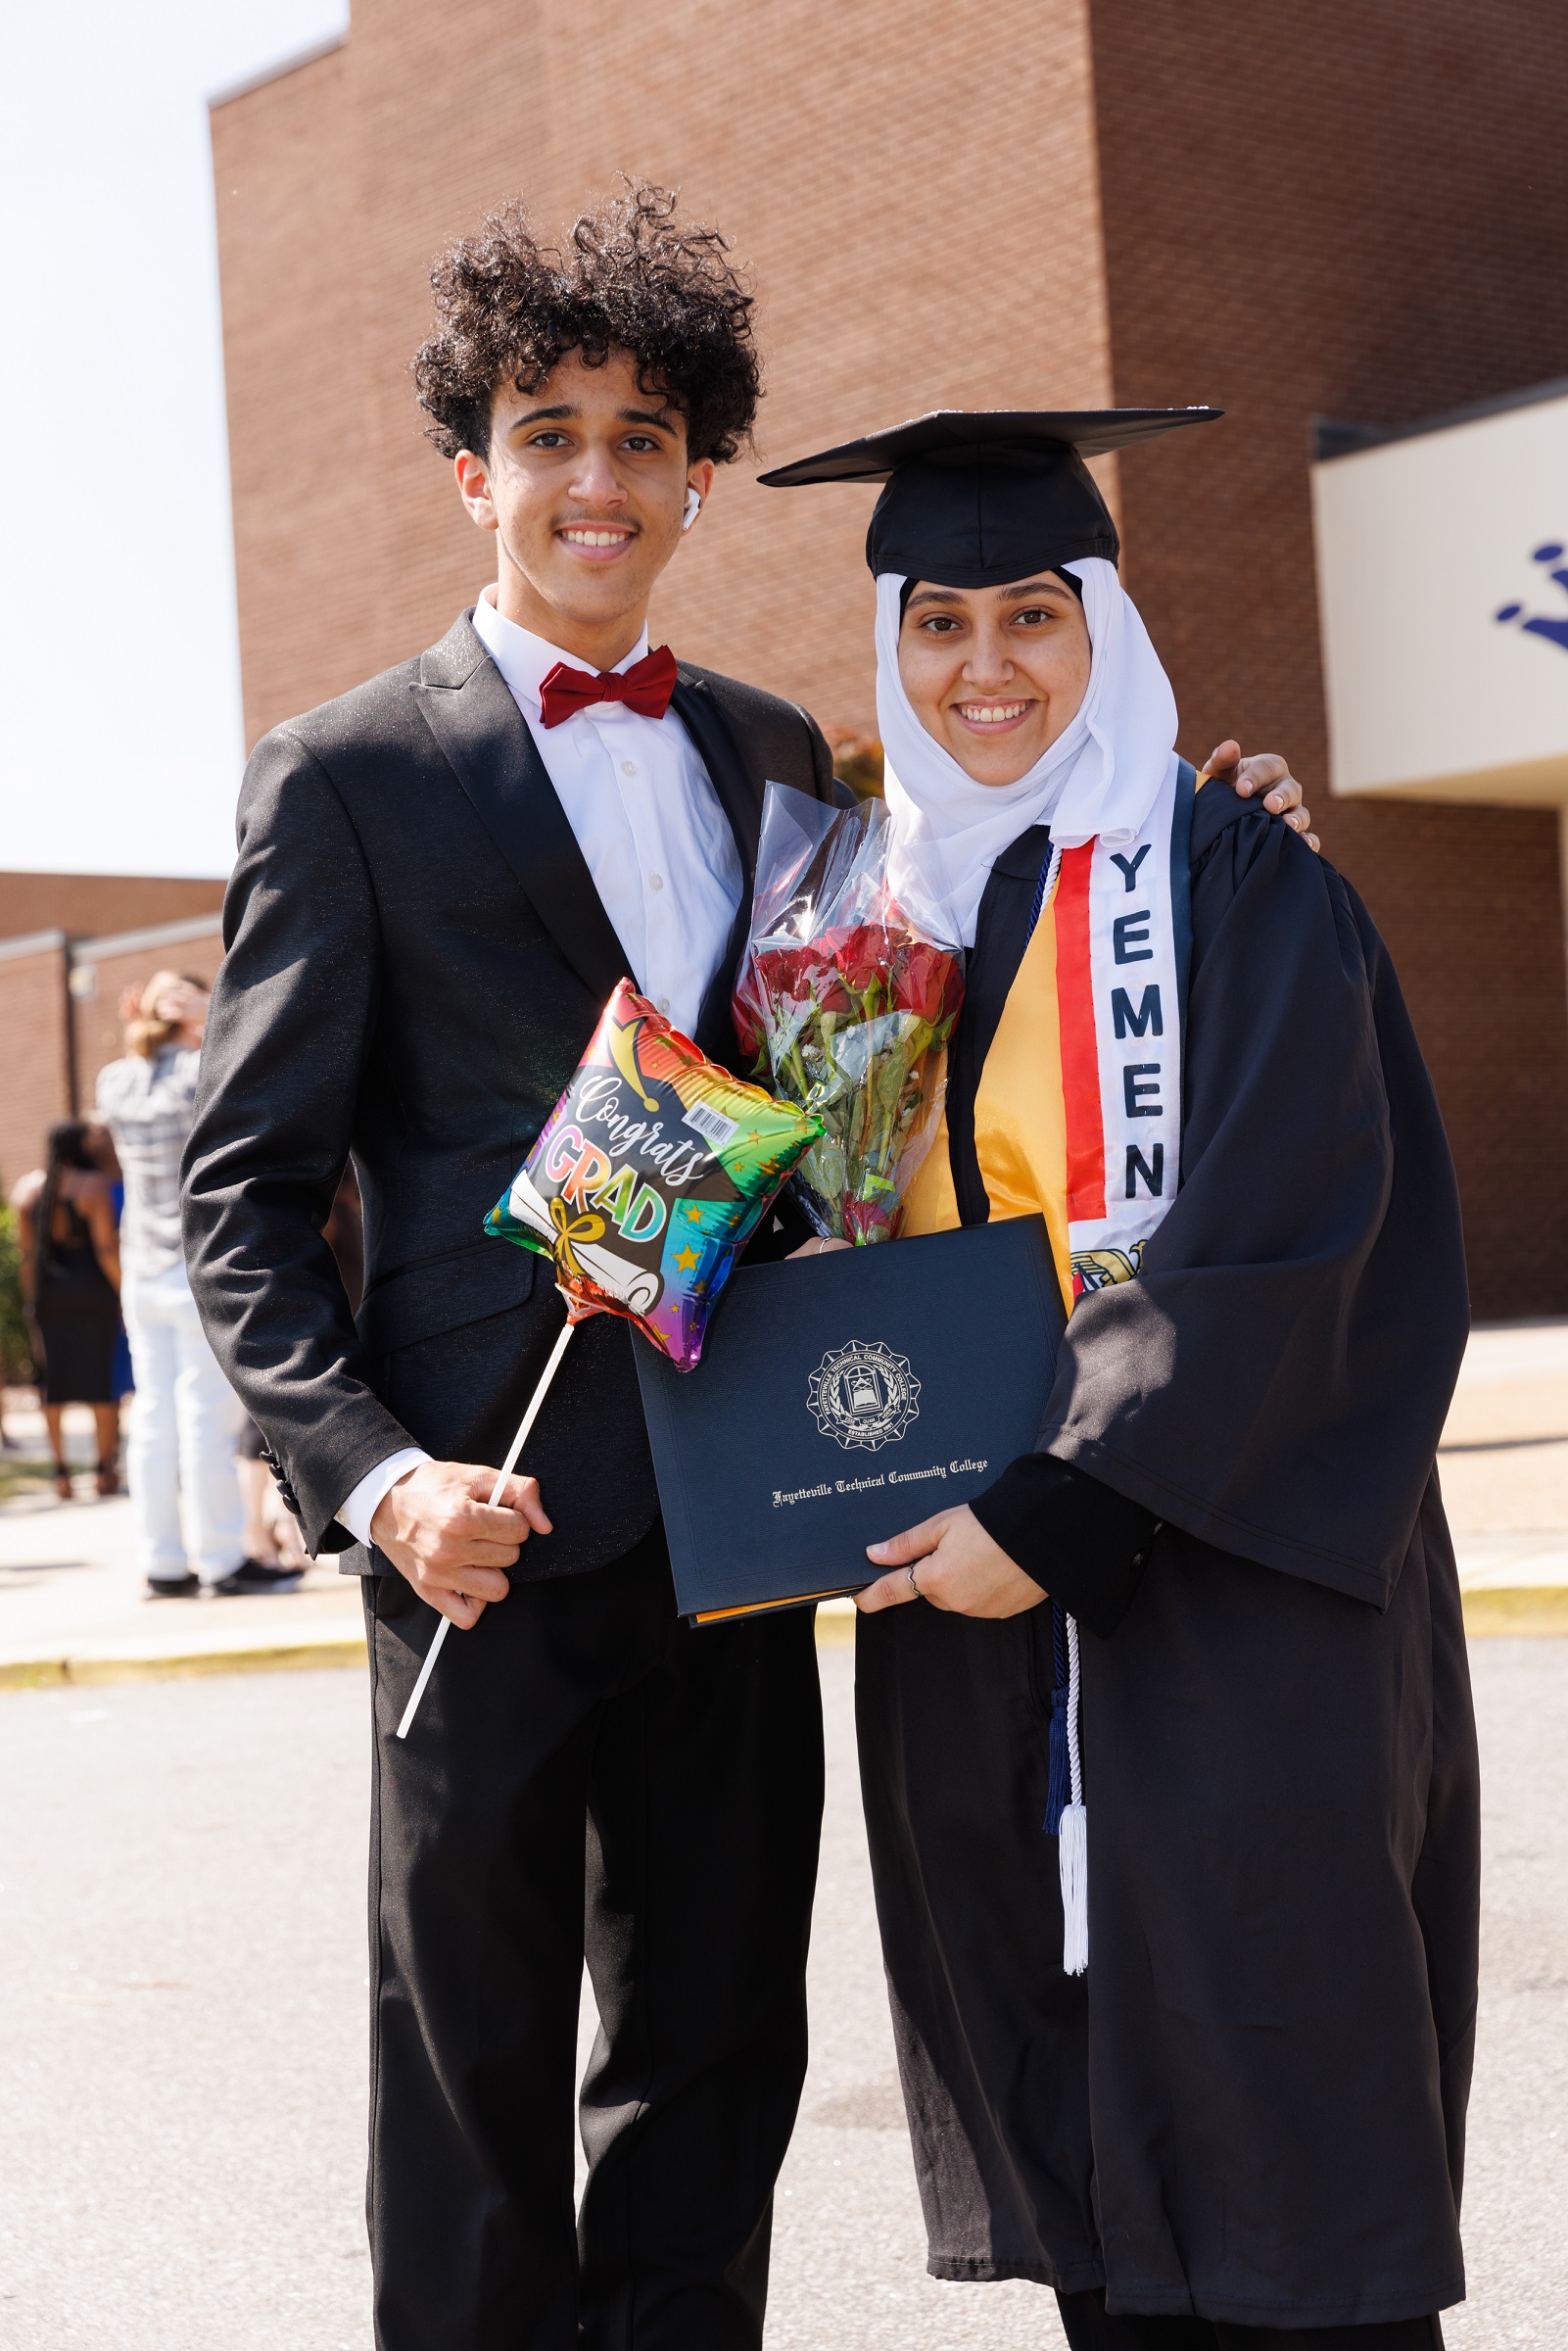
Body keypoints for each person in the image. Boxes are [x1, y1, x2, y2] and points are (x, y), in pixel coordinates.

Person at [180, 188, 1311, 2351]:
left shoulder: (779, 754)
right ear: (472, 471)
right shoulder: (337, 777)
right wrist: (372, 1478)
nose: (593, 480)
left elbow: (920, 1031)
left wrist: (1209, 826)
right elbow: (238, 1192)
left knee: (714, 2056)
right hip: (480, 1535)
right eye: (548, 434)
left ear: (700, 475)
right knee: (472, 2076)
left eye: (638, 436)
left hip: (739, 1502)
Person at [760, 409, 1476, 2349]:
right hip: (973, 1645)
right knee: (1095, 2214)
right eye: (933, 624)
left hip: (1224, 1608)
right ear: (886, 649)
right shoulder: (838, 931)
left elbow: (1294, 1227)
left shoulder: (1229, 877)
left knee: (1287, 2199)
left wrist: (1056, 1510)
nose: (981, 670)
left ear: (1102, 626)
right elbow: (782, 1262)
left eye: (1027, 616)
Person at [96, 972, 287, 1598]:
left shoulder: (116, 1079)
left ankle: (163, 1562)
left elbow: (140, 1062)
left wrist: (149, 1024)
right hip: (192, 1262)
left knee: (153, 1418)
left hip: (142, 1267)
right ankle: (222, 1560)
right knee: (204, 1416)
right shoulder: (198, 1072)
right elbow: (245, 1068)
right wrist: (214, 1014)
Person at [11, 1121, 122, 1498]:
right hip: (93, 1291)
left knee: (52, 1384)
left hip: (49, 1294)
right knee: (99, 1382)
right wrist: (123, 1291)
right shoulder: (92, 1185)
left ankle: (60, 1473)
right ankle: (103, 1470)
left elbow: (28, 1256)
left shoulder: (27, 1188)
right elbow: (106, 1248)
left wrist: (32, 1303)